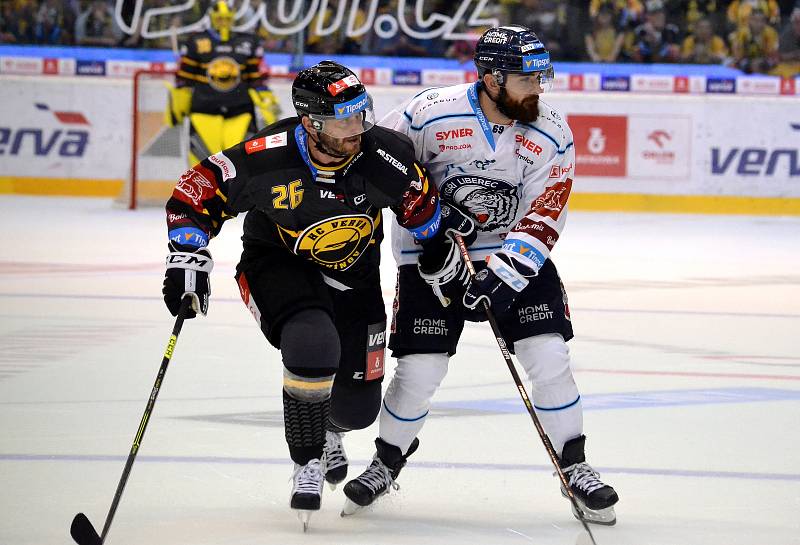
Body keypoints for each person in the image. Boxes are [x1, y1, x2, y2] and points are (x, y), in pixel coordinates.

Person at [160, 60, 473, 529]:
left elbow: (422, 211)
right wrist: (186, 254)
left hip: (355, 280)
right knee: (313, 344)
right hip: (277, 264)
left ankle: (330, 427)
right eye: (344, 120)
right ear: (311, 122)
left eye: (360, 114)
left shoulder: (384, 156)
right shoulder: (265, 155)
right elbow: (194, 195)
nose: (357, 129)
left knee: (358, 408)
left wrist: (440, 252)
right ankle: (305, 461)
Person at [342, 25, 620, 526]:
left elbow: (545, 211)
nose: (538, 89)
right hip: (430, 257)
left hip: (517, 258)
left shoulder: (552, 130)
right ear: (491, 79)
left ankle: (575, 466)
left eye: (542, 77)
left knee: (548, 354)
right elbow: (378, 162)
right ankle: (385, 463)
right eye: (526, 79)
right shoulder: (427, 112)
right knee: (420, 368)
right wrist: (424, 230)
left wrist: (502, 275)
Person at [164, 0, 280, 167]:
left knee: (242, 165)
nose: (223, 22)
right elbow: (185, 80)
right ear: (212, 17)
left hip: (240, 112)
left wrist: (267, 101)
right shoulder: (196, 42)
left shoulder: (248, 42)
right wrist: (178, 104)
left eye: (227, 18)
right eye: (220, 18)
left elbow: (257, 79)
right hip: (203, 112)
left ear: (233, 17)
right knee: (203, 166)